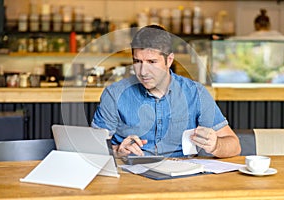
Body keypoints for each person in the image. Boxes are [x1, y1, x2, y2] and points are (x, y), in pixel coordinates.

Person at [91, 25, 241, 158]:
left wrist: (215, 145)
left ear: (169, 60)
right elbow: (92, 148)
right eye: (137, 62)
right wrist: (117, 151)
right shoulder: (114, 94)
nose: (143, 72)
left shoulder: (195, 93)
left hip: (182, 177)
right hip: (131, 176)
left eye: (152, 62)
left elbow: (234, 145)